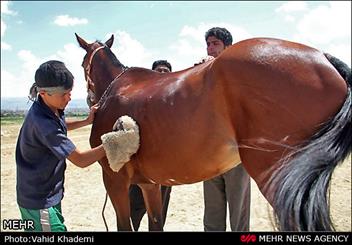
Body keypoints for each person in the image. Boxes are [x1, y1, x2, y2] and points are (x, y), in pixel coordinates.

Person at [16, 60, 108, 232]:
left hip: (47, 194)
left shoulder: (50, 108)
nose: (69, 98)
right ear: (43, 93)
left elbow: (61, 124)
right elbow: (80, 160)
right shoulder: (43, 123)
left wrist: (86, 121)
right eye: (64, 94)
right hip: (39, 201)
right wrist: (113, 143)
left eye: (70, 92)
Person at [202, 27, 251, 231]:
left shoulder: (241, 75)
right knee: (212, 216)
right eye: (208, 44)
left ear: (228, 47)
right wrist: (202, 74)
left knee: (238, 217)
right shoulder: (201, 74)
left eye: (215, 44)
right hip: (209, 155)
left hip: (236, 155)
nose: (210, 48)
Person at [129, 60, 172, 231]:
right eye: (158, 70)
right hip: (140, 166)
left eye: (165, 71)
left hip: (166, 169)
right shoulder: (139, 99)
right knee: (133, 211)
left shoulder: (176, 103)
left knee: (158, 217)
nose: (161, 73)